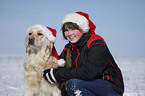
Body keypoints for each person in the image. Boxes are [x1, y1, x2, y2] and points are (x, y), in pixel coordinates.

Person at [43, 11, 124, 96]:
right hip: (86, 84)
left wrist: (58, 74)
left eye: (74, 29)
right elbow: (57, 63)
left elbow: (89, 71)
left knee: (74, 84)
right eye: (66, 30)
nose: (70, 34)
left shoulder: (96, 43)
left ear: (83, 29)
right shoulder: (68, 48)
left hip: (109, 87)